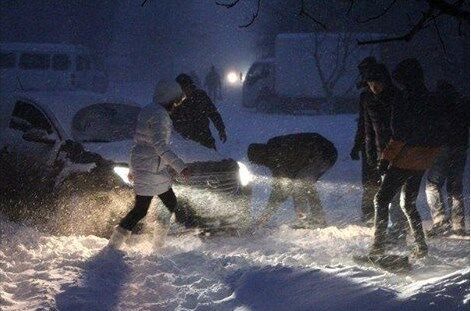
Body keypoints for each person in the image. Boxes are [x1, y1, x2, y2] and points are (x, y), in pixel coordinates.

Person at [370, 58, 442, 258]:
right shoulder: (429, 97)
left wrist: (385, 159)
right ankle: (421, 247)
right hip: (424, 159)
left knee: (381, 199)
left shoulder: (404, 98)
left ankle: (378, 248)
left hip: (405, 157)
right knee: (408, 203)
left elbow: (399, 133)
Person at [108, 80, 192, 250]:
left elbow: (138, 143)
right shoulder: (160, 115)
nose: (176, 106)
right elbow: (160, 145)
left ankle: (117, 243)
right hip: (152, 168)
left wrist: (132, 168)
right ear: (169, 98)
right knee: (154, 206)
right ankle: (155, 244)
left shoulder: (148, 110)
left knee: (148, 207)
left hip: (147, 166)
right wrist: (181, 167)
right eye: (175, 101)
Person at [247, 133, 338, 229]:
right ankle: (319, 219)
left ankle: (305, 222)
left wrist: (264, 217)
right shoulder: (273, 144)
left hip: (322, 154)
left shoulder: (275, 158)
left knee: (299, 185)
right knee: (306, 184)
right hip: (327, 151)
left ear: (260, 158)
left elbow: (279, 192)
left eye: (258, 163)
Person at [362, 63, 408, 242]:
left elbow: (400, 130)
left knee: (392, 197)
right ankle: (395, 231)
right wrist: (371, 154)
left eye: (377, 83)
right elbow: (369, 130)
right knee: (389, 197)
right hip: (383, 154)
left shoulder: (396, 98)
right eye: (370, 83)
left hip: (400, 152)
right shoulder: (369, 101)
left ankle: (396, 232)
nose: (374, 87)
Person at [425, 81, 469, 237]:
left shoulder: (435, 102)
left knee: (432, 185)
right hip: (460, 147)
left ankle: (440, 221)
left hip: (441, 147)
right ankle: (458, 224)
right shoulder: (463, 102)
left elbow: (430, 125)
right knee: (455, 187)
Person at [350, 56, 378, 224]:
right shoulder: (367, 95)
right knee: (371, 181)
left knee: (370, 181)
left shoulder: (367, 96)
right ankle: (371, 213)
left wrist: (357, 145)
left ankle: (370, 214)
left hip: (373, 144)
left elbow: (363, 124)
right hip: (373, 144)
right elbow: (363, 123)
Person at [172, 73, 227, 150]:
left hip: (204, 136)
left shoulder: (200, 96)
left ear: (190, 86)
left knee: (213, 158)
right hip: (185, 142)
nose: (185, 90)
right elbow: (169, 120)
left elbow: (213, 113)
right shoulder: (174, 101)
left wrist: (221, 129)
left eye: (186, 87)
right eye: (182, 88)